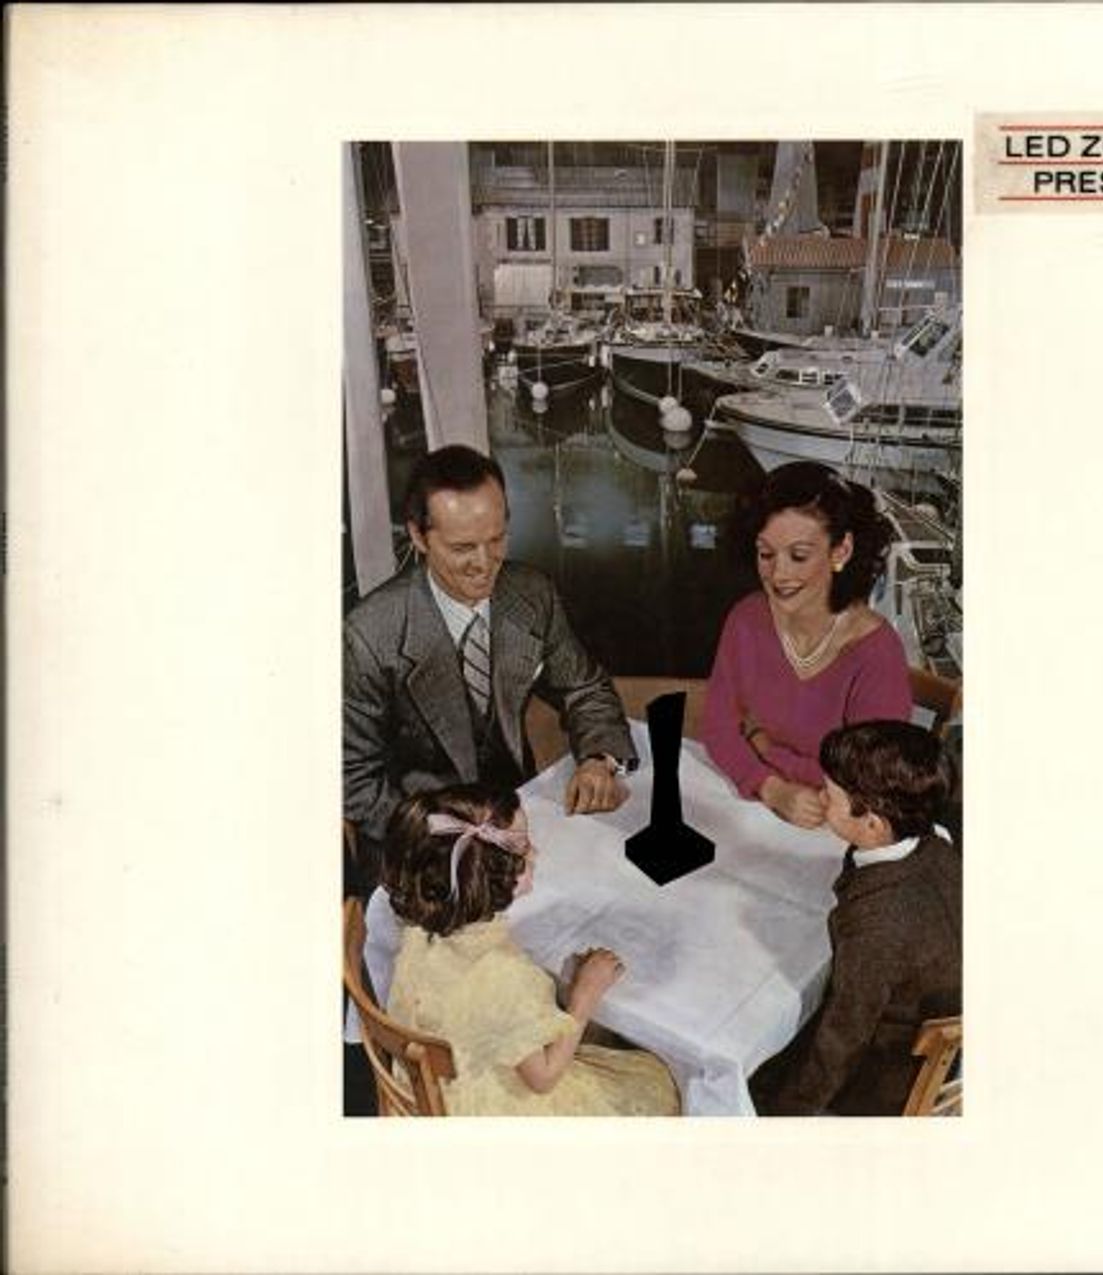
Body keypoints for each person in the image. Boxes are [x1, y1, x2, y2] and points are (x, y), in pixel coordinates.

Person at [344, 444, 637, 859]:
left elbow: (584, 689)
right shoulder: (368, 634)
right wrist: (444, 837)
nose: (485, 564)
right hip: (422, 847)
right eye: (463, 548)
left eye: (497, 539)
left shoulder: (533, 594)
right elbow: (352, 779)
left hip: (521, 821)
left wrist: (598, 759)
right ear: (418, 536)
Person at [383, 784, 681, 1116]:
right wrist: (584, 996)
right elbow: (543, 1078)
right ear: (487, 875)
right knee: (656, 1081)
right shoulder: (505, 975)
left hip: (435, 1083)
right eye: (524, 846)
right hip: (488, 1109)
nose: (535, 853)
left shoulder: (420, 932)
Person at [749, 720, 961, 1116]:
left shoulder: (880, 926)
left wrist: (786, 1114)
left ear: (873, 824)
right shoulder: (935, 841)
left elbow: (842, 1039)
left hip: (885, 1075)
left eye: (830, 796)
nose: (820, 797)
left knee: (756, 1076)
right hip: (921, 1010)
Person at [701, 461, 912, 827]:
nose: (778, 574)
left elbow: (866, 781)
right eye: (766, 554)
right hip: (767, 804)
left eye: (798, 556)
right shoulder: (746, 618)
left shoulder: (877, 652)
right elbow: (717, 727)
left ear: (841, 551)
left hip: (842, 826)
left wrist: (764, 748)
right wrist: (771, 787)